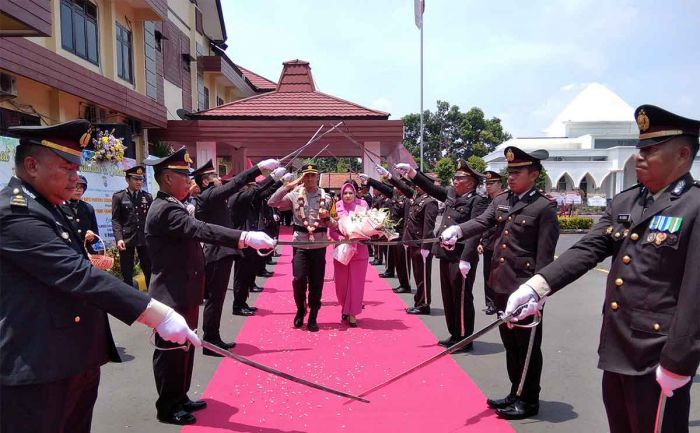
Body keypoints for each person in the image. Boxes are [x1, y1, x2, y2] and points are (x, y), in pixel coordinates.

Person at [505, 105, 700, 433]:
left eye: (651, 150)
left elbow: (696, 294)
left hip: (658, 355)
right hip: (618, 347)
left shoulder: (693, 207)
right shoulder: (627, 202)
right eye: (639, 149)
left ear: (683, 154)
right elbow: (587, 249)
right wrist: (537, 286)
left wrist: (679, 362)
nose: (639, 157)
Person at [0, 120, 199, 433]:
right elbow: (77, 275)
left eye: (77, 168)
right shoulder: (15, 211)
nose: (75, 177)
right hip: (38, 365)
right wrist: (157, 314)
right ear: (31, 165)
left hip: (75, 358)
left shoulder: (54, 207)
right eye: (67, 167)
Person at [144, 147, 275, 425]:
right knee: (170, 352)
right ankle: (167, 406)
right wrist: (244, 237)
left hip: (185, 289)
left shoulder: (174, 204)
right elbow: (201, 230)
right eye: (183, 176)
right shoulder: (165, 210)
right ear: (168, 178)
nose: (189, 182)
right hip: (171, 293)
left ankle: (180, 396)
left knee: (186, 347)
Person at [440, 146, 559, 419]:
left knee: (527, 345)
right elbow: (482, 222)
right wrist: (458, 230)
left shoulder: (543, 208)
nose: (511, 177)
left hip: (526, 290)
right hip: (502, 284)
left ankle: (529, 399)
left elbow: (545, 257)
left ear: (534, 174)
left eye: (517, 172)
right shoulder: (503, 200)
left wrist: (539, 294)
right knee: (510, 342)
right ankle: (515, 391)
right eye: (510, 172)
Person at [394, 160, 489, 351]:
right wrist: (413, 173)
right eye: (455, 178)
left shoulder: (477, 201)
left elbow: (476, 229)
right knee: (448, 296)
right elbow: (431, 188)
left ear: (470, 182)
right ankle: (454, 334)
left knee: (461, 297)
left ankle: (464, 337)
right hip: (446, 253)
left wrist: (466, 258)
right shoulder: (452, 195)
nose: (454, 181)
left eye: (459, 178)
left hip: (461, 256)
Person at [193, 158, 282, 356]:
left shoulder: (212, 196)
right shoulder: (209, 196)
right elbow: (237, 184)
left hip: (222, 251)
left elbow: (252, 190)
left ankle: (212, 336)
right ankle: (211, 340)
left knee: (218, 299)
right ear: (205, 181)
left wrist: (274, 178)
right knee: (215, 300)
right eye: (214, 175)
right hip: (216, 253)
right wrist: (259, 169)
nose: (219, 178)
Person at [268, 164, 330, 332]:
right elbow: (272, 202)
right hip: (300, 243)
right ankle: (301, 308)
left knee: (316, 282)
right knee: (299, 279)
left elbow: (328, 219)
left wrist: (327, 216)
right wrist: (287, 186)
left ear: (317, 177)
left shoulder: (326, 196)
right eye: (306, 176)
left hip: (318, 243)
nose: (309, 179)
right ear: (302, 177)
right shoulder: (294, 195)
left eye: (312, 175)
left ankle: (313, 314)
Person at [228, 171, 285, 318]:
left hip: (249, 240)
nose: (253, 188)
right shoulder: (236, 197)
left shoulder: (246, 198)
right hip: (242, 241)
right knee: (241, 275)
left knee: (247, 273)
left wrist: (280, 181)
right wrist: (273, 176)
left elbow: (263, 192)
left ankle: (243, 302)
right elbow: (259, 190)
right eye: (250, 185)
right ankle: (238, 305)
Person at [387, 172, 438, 315]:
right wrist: (390, 177)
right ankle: (419, 302)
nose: (416, 187)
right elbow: (403, 187)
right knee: (417, 276)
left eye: (420, 184)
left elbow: (428, 227)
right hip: (413, 243)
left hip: (421, 245)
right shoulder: (417, 198)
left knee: (423, 277)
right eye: (416, 184)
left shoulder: (430, 202)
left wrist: (425, 246)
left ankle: (424, 304)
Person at [328, 180, 369, 327]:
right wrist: (342, 239)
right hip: (342, 250)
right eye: (345, 193)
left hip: (359, 251)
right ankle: (344, 307)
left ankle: (353, 314)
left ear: (355, 193)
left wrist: (359, 236)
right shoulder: (336, 207)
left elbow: (368, 226)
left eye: (350, 192)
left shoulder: (362, 206)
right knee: (341, 284)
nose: (348, 195)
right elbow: (331, 231)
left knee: (356, 284)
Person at [112, 165, 153, 287]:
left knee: (148, 268)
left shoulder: (147, 197)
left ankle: (151, 298)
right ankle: (129, 300)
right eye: (136, 179)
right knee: (127, 270)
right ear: (127, 180)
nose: (139, 182)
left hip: (144, 239)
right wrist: (119, 238)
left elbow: (150, 219)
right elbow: (116, 220)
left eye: (141, 179)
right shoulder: (119, 196)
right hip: (127, 239)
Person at [477, 170, 504, 315]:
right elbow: (482, 223)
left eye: (491, 183)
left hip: (501, 245)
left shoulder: (506, 200)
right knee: (488, 275)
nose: (488, 186)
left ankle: (500, 302)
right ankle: (490, 303)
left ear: (500, 184)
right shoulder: (484, 201)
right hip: (488, 244)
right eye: (486, 183)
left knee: (500, 276)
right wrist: (481, 241)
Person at [61, 174, 100, 253]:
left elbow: (96, 236)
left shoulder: (88, 208)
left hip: (87, 254)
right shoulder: (58, 207)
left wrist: (92, 237)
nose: (79, 190)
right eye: (76, 187)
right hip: (67, 253)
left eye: (81, 187)